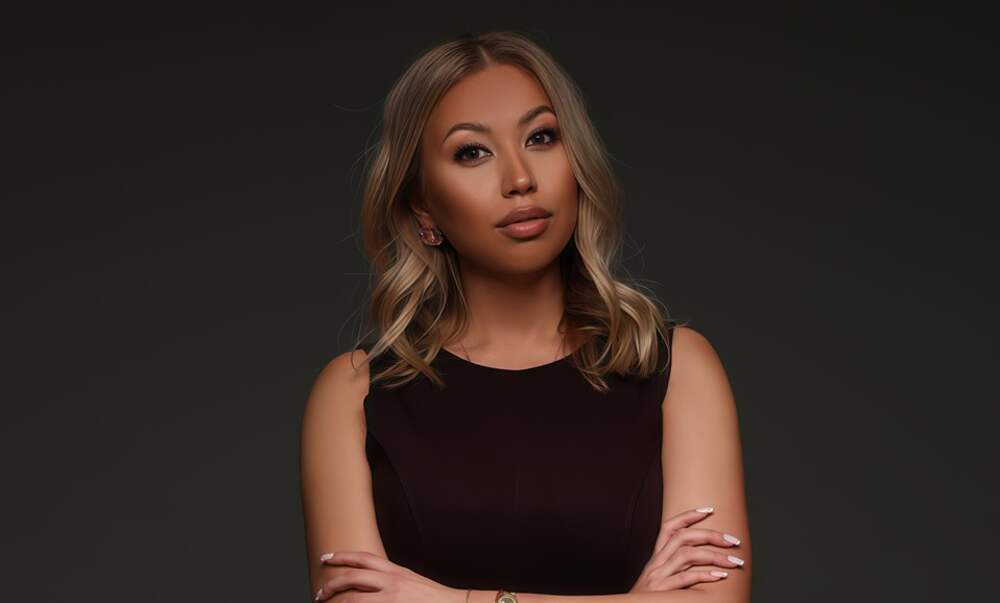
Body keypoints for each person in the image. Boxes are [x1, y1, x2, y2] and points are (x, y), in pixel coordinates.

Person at [300, 31, 750, 603]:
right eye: (472, 152)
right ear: (422, 206)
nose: (519, 179)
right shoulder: (354, 393)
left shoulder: (676, 367)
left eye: (541, 137)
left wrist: (456, 601)